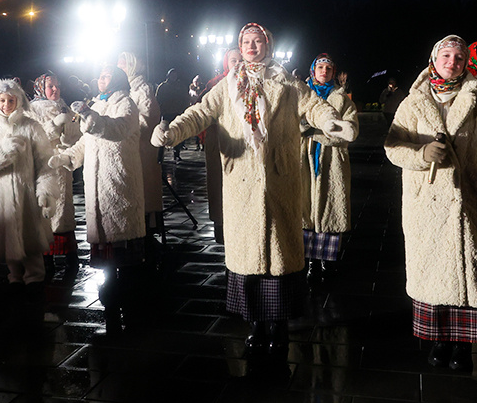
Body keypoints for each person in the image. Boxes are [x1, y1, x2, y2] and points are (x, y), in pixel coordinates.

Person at [151, 23, 356, 355]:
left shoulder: (287, 83)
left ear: (267, 45)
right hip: (241, 185)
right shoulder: (228, 85)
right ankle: (257, 326)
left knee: (279, 257)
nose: (251, 46)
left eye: (257, 41)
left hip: (280, 181)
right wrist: (173, 132)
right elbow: (201, 112)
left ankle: (279, 326)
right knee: (248, 260)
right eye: (246, 41)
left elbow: (313, 107)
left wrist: (329, 120)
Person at [384, 35, 477, 372]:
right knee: (432, 272)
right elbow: (392, 146)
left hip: (469, 201)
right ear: (434, 59)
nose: (451, 62)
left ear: (465, 64)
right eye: (445, 55)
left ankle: (462, 345)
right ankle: (438, 339)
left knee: (467, 271)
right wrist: (420, 154)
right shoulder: (413, 101)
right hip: (425, 205)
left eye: (459, 58)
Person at [50, 64, 146, 336]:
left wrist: (88, 114)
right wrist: (68, 157)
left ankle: (127, 304)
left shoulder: (125, 103)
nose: (100, 79)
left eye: (106, 75)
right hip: (97, 187)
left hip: (118, 185)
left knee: (123, 258)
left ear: (115, 79)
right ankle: (112, 304)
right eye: (100, 75)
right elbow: (86, 140)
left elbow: (115, 130)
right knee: (108, 260)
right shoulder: (96, 104)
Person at [0, 79, 58, 326]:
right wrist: (3, 152)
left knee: (31, 240)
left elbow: (45, 163)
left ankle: (35, 279)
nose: (7, 105)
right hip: (1, 196)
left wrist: (45, 191)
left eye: (11, 100)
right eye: (2, 101)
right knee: (8, 236)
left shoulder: (32, 127)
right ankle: (14, 278)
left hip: (28, 193)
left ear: (19, 101)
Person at [300, 53, 359, 284]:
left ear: (334, 73)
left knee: (329, 209)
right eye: (320, 67)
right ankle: (309, 260)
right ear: (313, 70)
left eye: (328, 68)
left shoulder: (343, 100)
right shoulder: (302, 97)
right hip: (303, 161)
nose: (324, 71)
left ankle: (328, 260)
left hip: (332, 162)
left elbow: (349, 132)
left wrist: (315, 133)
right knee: (306, 209)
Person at [28, 72, 82, 275]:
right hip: (45, 166)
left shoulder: (64, 105)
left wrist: (69, 137)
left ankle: (69, 254)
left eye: (57, 86)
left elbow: (75, 133)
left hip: (63, 166)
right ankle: (46, 256)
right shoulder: (33, 109)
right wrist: (55, 124)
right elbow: (35, 137)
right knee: (46, 209)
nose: (55, 90)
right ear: (41, 88)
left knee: (65, 208)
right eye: (50, 86)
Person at [117, 52, 164, 261]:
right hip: (131, 149)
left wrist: (126, 128)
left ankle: (146, 234)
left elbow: (148, 121)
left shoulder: (141, 90)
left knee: (143, 193)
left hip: (142, 150)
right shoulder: (127, 89)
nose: (120, 68)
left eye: (123, 65)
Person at [202, 48, 242, 244]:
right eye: (233, 60)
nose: (236, 63)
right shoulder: (216, 84)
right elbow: (204, 111)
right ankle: (220, 224)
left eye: (239, 60)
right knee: (218, 183)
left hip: (241, 143)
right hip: (218, 141)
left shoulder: (251, 84)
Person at [156, 68, 188, 161]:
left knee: (176, 134)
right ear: (168, 76)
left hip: (177, 113)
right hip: (166, 113)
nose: (174, 77)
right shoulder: (163, 86)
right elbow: (158, 100)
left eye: (175, 75)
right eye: (172, 75)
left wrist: (183, 110)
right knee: (162, 134)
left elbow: (185, 99)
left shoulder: (180, 86)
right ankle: (160, 156)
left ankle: (176, 154)